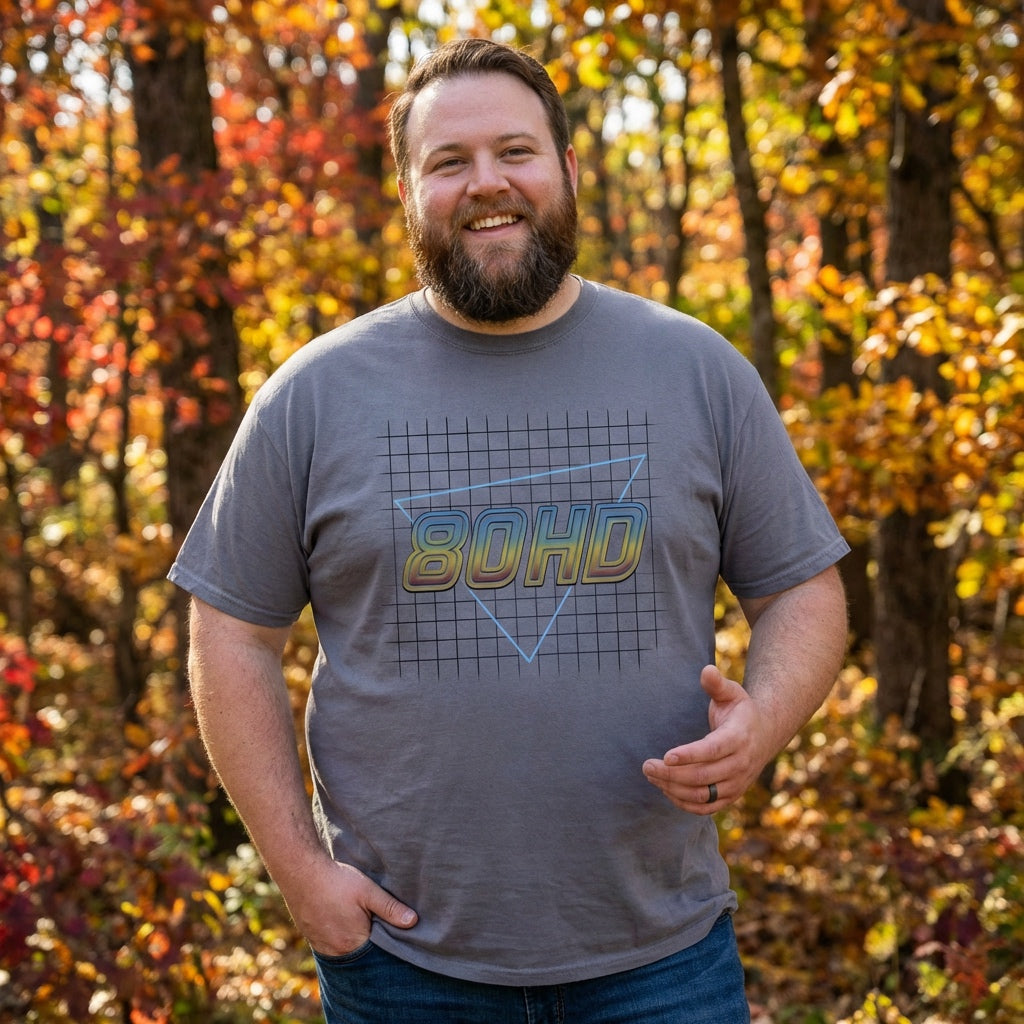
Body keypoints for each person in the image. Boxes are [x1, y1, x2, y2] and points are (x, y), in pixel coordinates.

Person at [169, 37, 849, 1024]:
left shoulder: (696, 373)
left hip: (663, 961)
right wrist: (298, 872)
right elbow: (230, 628)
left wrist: (767, 719)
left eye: (515, 151)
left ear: (568, 170)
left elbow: (801, 586)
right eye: (448, 162)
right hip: (402, 964)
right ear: (407, 190)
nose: (487, 184)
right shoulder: (311, 398)